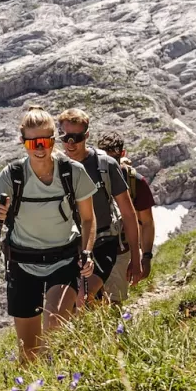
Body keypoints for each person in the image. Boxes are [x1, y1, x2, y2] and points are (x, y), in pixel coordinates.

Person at [0, 106, 96, 361]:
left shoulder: (72, 172)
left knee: (54, 329)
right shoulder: (12, 176)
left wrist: (88, 252)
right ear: (24, 142)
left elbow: (89, 219)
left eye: (45, 140)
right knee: (28, 352)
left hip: (64, 261)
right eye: (33, 142)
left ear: (53, 140)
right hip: (22, 265)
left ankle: (58, 388)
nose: (39, 147)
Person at [55, 108, 142, 302]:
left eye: (76, 138)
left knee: (83, 298)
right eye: (65, 137)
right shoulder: (55, 168)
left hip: (104, 243)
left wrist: (136, 259)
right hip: (70, 248)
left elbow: (128, 214)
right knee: (76, 305)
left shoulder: (105, 165)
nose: (70, 143)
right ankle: (96, 331)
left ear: (86, 135)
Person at [98, 133, 157, 294]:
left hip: (121, 252)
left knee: (113, 302)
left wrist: (145, 257)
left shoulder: (136, 182)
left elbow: (147, 223)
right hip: (94, 250)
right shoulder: (86, 177)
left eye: (114, 158)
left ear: (122, 154)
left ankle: (114, 319)